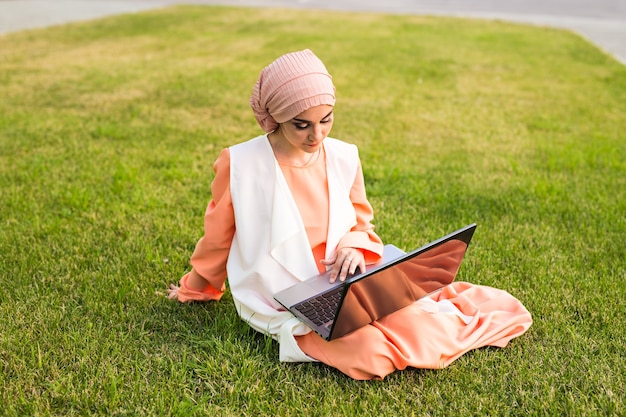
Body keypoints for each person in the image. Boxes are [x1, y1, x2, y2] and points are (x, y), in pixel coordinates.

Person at [167, 49, 532, 380]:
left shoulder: (343, 156)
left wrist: (356, 247)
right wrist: (198, 287)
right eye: (302, 125)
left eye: (326, 120)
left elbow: (361, 221)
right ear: (275, 117)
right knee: (370, 355)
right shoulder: (241, 163)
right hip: (284, 294)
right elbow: (218, 236)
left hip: (345, 279)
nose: (317, 135)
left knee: (418, 326)